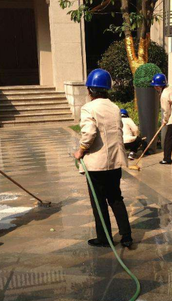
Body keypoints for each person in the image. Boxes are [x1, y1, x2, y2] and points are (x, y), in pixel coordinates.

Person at [74, 69, 133, 248]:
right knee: (116, 198)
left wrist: (81, 150)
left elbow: (89, 132)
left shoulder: (89, 108)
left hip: (96, 165)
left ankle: (104, 238)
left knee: (99, 202)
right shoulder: (114, 107)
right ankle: (126, 236)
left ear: (90, 90)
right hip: (115, 161)